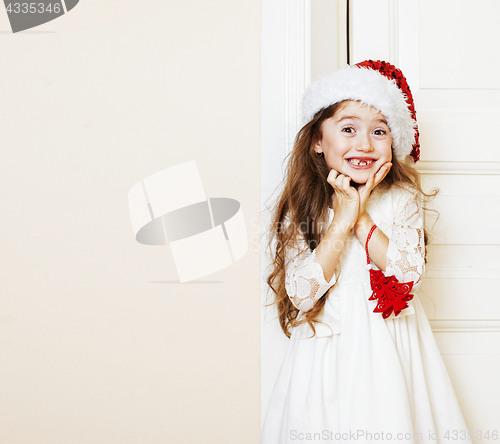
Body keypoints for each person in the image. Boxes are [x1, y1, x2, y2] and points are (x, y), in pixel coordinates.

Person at [260, 61, 472, 443]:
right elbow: (303, 295)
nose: (364, 144)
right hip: (327, 355)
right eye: (348, 129)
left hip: (393, 348)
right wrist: (340, 220)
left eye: (379, 131)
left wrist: (359, 219)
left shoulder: (400, 198)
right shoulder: (303, 206)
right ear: (318, 142)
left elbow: (407, 274)